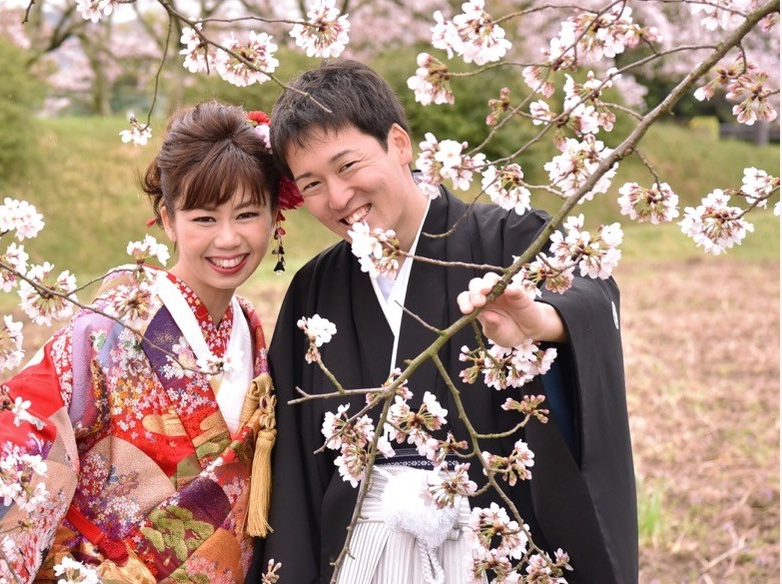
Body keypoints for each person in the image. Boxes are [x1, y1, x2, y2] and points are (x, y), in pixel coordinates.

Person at [255, 60, 638, 583]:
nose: (338, 197)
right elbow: (297, 471)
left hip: (490, 550)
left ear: (399, 143)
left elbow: (589, 291)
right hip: (362, 560)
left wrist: (542, 323)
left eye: (347, 166)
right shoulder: (314, 289)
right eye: (313, 184)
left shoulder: (507, 238)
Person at [0, 101, 285, 583]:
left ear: (274, 216)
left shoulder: (251, 328)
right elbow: (42, 398)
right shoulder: (117, 323)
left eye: (247, 214)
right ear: (168, 218)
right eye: (205, 218)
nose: (228, 239)